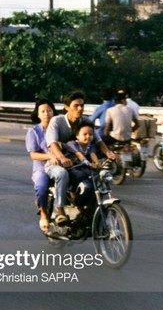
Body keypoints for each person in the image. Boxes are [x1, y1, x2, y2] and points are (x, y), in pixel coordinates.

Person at [45, 91, 115, 223]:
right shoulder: (57, 121)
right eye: (76, 106)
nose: (80, 109)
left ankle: (86, 212)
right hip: (56, 163)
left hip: (80, 165)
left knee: (96, 179)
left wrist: (109, 154)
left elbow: (99, 141)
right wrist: (62, 158)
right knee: (61, 174)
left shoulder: (86, 121)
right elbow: (52, 143)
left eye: (82, 105)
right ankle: (60, 211)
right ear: (66, 107)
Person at [26, 98, 58, 233]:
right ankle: (44, 214)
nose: (46, 114)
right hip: (42, 168)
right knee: (42, 187)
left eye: (49, 110)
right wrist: (50, 156)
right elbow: (33, 155)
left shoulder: (59, 128)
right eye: (43, 111)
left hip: (59, 166)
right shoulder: (33, 132)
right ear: (38, 114)